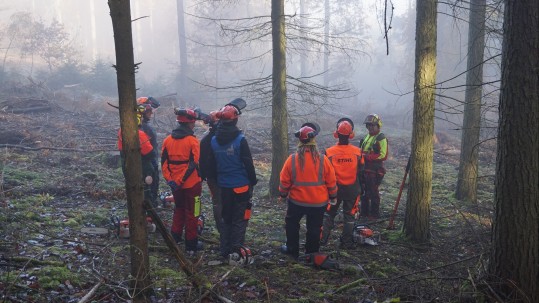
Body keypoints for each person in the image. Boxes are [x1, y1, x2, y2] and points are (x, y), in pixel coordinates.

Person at [279, 122, 337, 259]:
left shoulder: (291, 159)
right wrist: (333, 196)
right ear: (313, 140)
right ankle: (311, 253)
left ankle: (292, 250)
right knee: (314, 227)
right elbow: (332, 181)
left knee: (292, 224)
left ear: (300, 140)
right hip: (318, 203)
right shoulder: (323, 160)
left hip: (296, 202)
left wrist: (282, 195)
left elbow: (284, 181)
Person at [207, 103, 257, 260]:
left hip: (223, 186)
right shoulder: (241, 140)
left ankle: (224, 249)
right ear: (235, 120)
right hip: (241, 186)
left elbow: (213, 164)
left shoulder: (214, 141)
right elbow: (248, 163)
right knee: (239, 219)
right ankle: (236, 251)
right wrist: (253, 181)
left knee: (226, 218)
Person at [199, 98, 247, 235]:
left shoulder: (207, 139)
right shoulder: (228, 137)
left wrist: (204, 175)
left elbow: (202, 162)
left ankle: (223, 231)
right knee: (228, 204)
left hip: (213, 177)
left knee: (218, 203)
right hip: (225, 176)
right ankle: (230, 229)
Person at [161, 108, 203, 255]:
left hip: (175, 185)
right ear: (190, 123)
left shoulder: (167, 140)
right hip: (192, 184)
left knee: (179, 208)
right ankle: (191, 245)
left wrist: (170, 180)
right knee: (194, 212)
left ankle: (175, 238)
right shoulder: (193, 141)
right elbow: (194, 163)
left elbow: (163, 163)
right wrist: (180, 180)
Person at [320, 118, 364, 248]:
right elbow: (361, 172)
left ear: (336, 134)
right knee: (349, 217)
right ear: (351, 135)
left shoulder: (329, 152)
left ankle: (322, 240)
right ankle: (346, 242)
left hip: (334, 191)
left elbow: (324, 173)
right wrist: (362, 188)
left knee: (328, 214)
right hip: (352, 190)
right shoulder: (358, 152)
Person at [117, 105, 156, 203]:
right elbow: (150, 152)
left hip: (128, 168)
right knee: (146, 193)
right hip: (142, 169)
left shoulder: (121, 131)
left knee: (132, 191)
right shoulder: (139, 134)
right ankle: (148, 213)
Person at [358, 114, 388, 220]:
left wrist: (367, 157)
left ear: (378, 125)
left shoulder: (381, 137)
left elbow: (383, 155)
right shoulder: (367, 137)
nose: (370, 127)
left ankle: (374, 214)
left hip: (374, 170)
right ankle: (364, 213)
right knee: (363, 191)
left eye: (372, 125)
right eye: (368, 125)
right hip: (364, 168)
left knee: (373, 192)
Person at [136, 97, 161, 207]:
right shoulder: (142, 127)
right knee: (149, 186)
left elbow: (157, 103)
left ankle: (152, 203)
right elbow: (146, 148)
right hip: (147, 161)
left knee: (152, 184)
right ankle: (150, 207)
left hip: (151, 160)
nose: (151, 114)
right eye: (149, 111)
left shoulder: (145, 125)